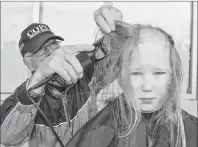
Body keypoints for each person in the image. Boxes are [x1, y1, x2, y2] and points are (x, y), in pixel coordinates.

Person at [65, 10, 198, 147]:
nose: (147, 87)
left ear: (173, 75)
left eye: (158, 73)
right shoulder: (99, 132)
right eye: (136, 73)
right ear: (120, 76)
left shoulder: (191, 131)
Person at [0, 6, 122, 147]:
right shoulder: (24, 98)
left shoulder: (83, 75)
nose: (51, 52)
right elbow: (7, 138)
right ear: (28, 62)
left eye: (53, 44)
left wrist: (115, 28)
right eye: (41, 50)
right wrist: (39, 79)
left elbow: (118, 60)